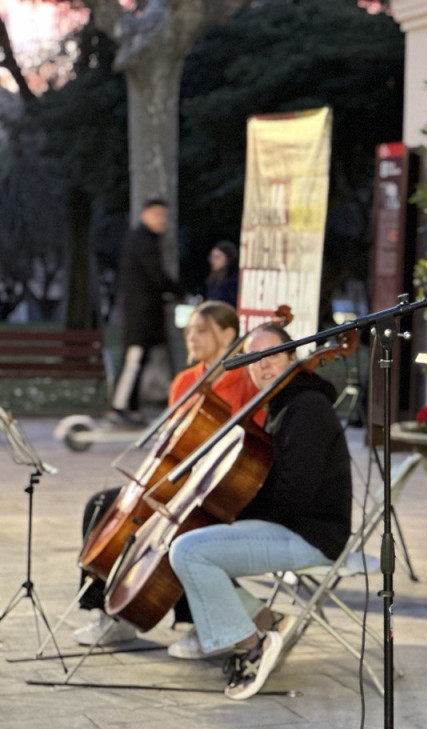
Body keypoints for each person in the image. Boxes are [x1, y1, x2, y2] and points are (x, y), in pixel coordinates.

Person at [168, 324, 353, 700]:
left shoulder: (306, 409)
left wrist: (240, 514)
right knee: (188, 542)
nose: (264, 366)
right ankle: (264, 620)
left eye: (273, 356)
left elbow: (295, 495)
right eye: (256, 359)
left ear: (293, 358)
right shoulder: (283, 404)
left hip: (310, 536)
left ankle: (251, 645)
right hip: (298, 527)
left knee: (189, 551)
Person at [75, 301, 264, 648]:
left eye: (201, 330)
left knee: (178, 531)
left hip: (213, 486)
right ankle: (105, 613)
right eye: (189, 330)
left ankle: (204, 621)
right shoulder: (186, 380)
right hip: (176, 479)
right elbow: (173, 442)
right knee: (101, 505)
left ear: (228, 335)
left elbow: (249, 442)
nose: (191, 337)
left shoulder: (245, 381)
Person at [107, 198, 180, 426]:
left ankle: (133, 409)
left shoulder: (146, 240)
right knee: (134, 360)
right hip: (141, 316)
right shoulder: (142, 241)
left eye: (165, 217)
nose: (162, 221)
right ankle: (118, 408)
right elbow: (155, 275)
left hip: (146, 314)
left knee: (139, 360)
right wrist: (178, 290)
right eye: (158, 215)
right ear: (144, 215)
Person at [204, 241, 240, 307]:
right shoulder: (213, 279)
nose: (213, 261)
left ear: (228, 259)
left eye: (217, 257)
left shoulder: (235, 279)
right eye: (212, 257)